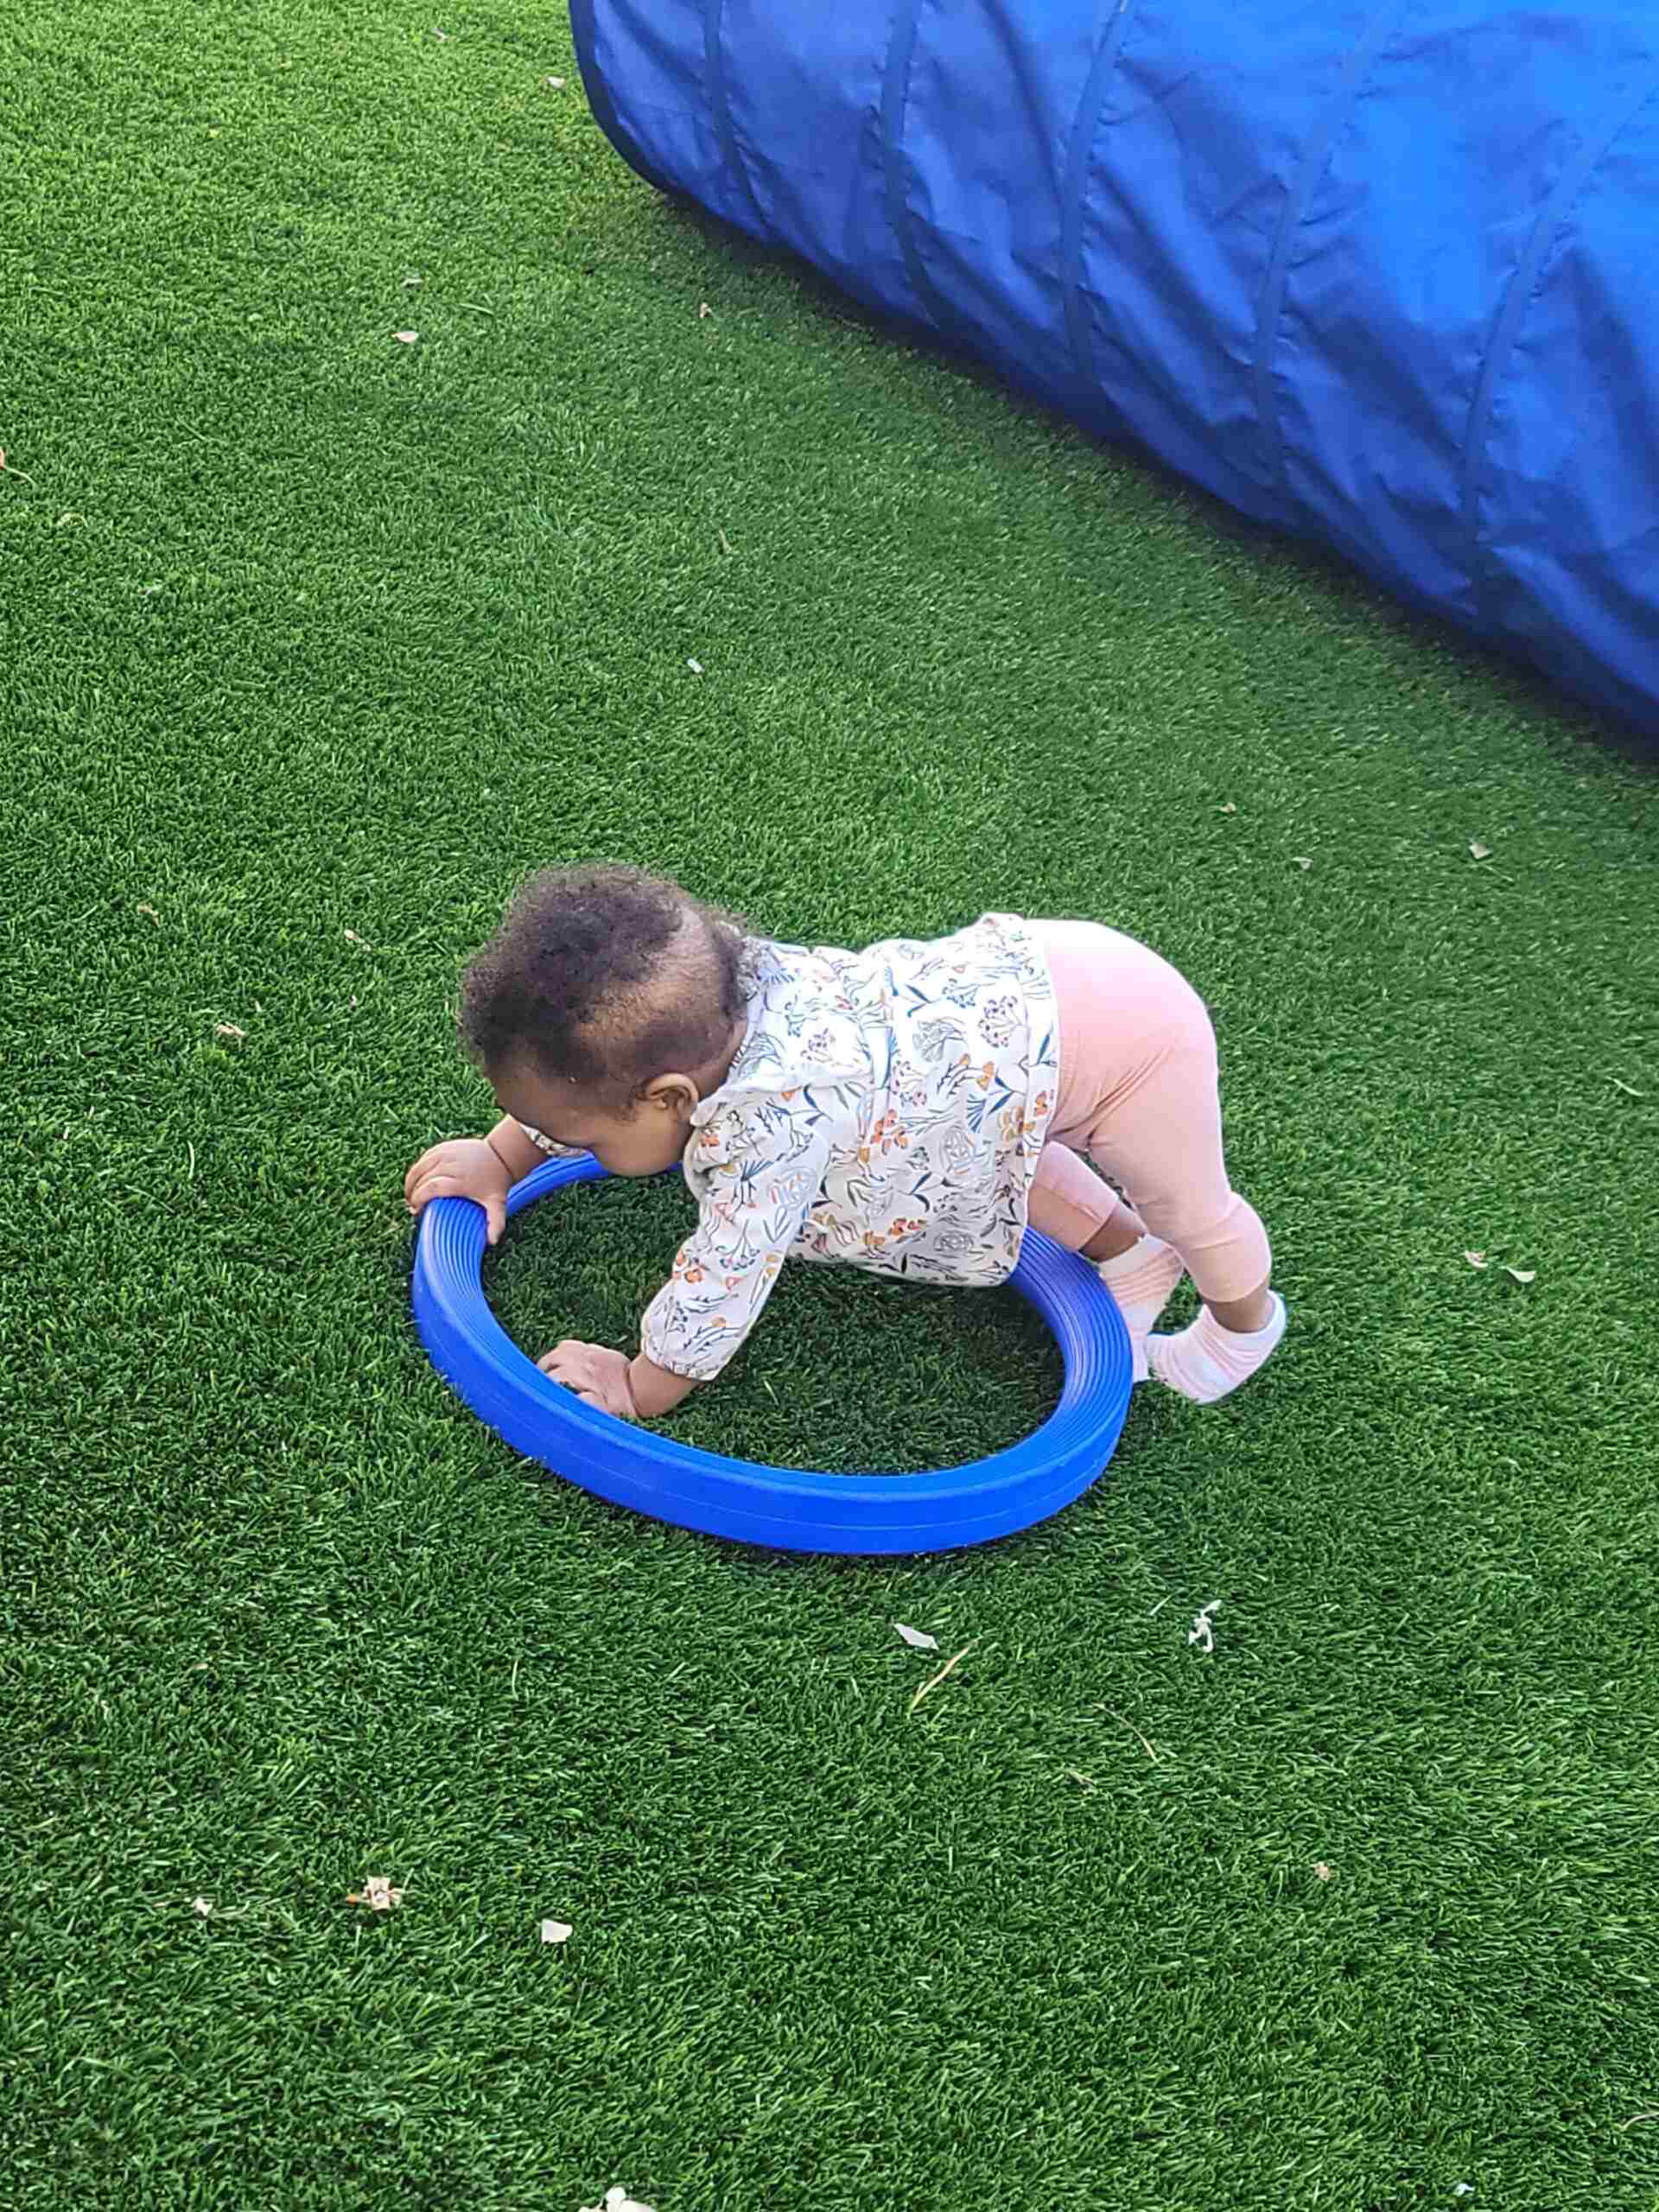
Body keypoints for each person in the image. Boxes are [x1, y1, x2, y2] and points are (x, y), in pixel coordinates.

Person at [405, 865, 1285, 1422]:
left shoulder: (771, 1129)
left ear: (671, 1097)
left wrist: (642, 1383)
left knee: (1191, 1209)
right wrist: (500, 1159)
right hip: (1020, 1020)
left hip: (1133, 1039)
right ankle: (1125, 1259)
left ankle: (1241, 1329)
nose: (555, 1141)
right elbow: (583, 1092)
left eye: (564, 1139)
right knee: (971, 1136)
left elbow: (728, 1272)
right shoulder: (711, 996)